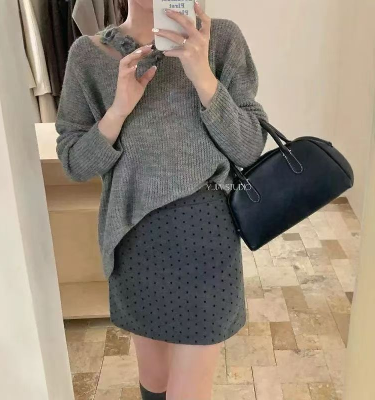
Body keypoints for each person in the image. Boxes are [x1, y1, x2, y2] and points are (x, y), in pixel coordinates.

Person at [55, 1, 268, 399]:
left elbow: (248, 147)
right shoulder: (88, 55)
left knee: (188, 391)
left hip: (206, 236)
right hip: (133, 237)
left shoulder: (221, 39)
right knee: (155, 382)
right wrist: (118, 110)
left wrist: (203, 77)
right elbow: (75, 164)